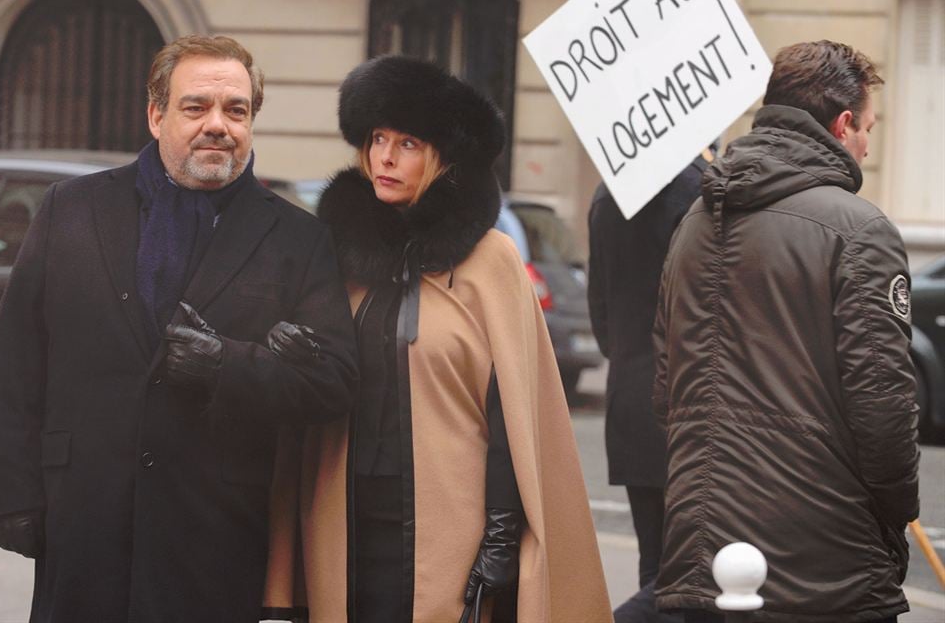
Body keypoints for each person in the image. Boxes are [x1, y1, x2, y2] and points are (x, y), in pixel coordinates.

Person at [0, 35, 358, 623]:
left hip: (216, 539)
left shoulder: (298, 241)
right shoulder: (70, 209)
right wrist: (10, 494)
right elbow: (15, 363)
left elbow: (334, 380)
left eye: (236, 110)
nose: (217, 125)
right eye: (195, 106)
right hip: (81, 522)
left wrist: (226, 364)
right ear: (156, 115)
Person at [287, 55, 612, 623]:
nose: (384, 157)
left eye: (407, 143)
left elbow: (514, 417)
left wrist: (501, 543)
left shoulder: (492, 263)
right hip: (344, 528)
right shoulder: (339, 259)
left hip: (450, 537)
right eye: (376, 138)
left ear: (441, 158)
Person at [652, 40, 920, 622]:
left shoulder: (694, 222)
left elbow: (667, 385)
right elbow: (883, 407)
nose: (869, 146)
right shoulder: (860, 229)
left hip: (701, 542)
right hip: (822, 557)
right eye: (869, 127)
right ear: (844, 123)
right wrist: (893, 518)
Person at [588, 151, 709, 623]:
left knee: (655, 566)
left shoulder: (605, 194)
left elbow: (601, 319)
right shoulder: (698, 189)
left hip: (629, 397)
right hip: (684, 401)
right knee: (690, 582)